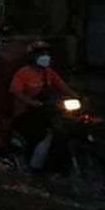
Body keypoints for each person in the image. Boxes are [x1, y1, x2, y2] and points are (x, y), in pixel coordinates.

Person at [9, 40, 74, 170]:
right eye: (41, 54)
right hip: (25, 113)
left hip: (44, 110)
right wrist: (31, 102)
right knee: (39, 135)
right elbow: (14, 91)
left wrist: (77, 96)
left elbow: (62, 87)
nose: (45, 56)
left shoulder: (48, 72)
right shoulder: (23, 73)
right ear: (33, 57)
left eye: (46, 53)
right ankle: (32, 166)